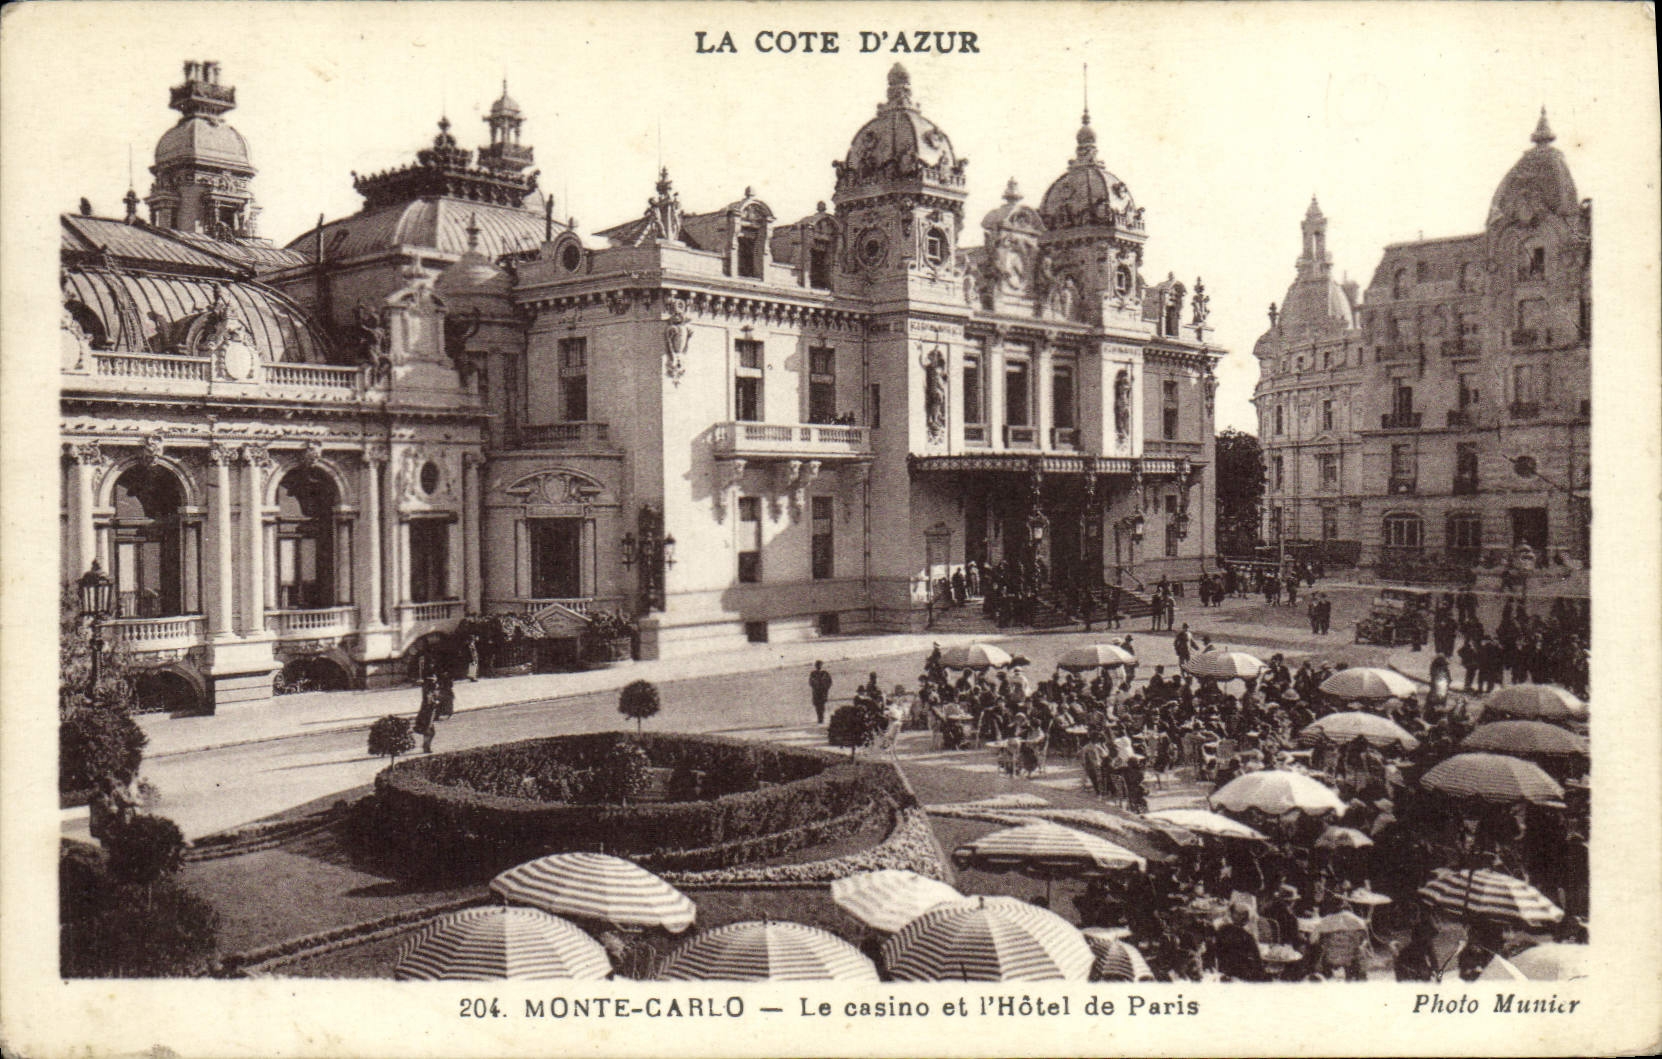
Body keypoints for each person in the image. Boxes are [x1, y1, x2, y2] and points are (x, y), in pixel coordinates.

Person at [1212, 903, 1268, 981]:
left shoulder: (1221, 930)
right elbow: (1258, 962)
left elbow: (1216, 952)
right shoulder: (1247, 936)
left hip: (1223, 972)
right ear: (1247, 919)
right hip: (1244, 976)